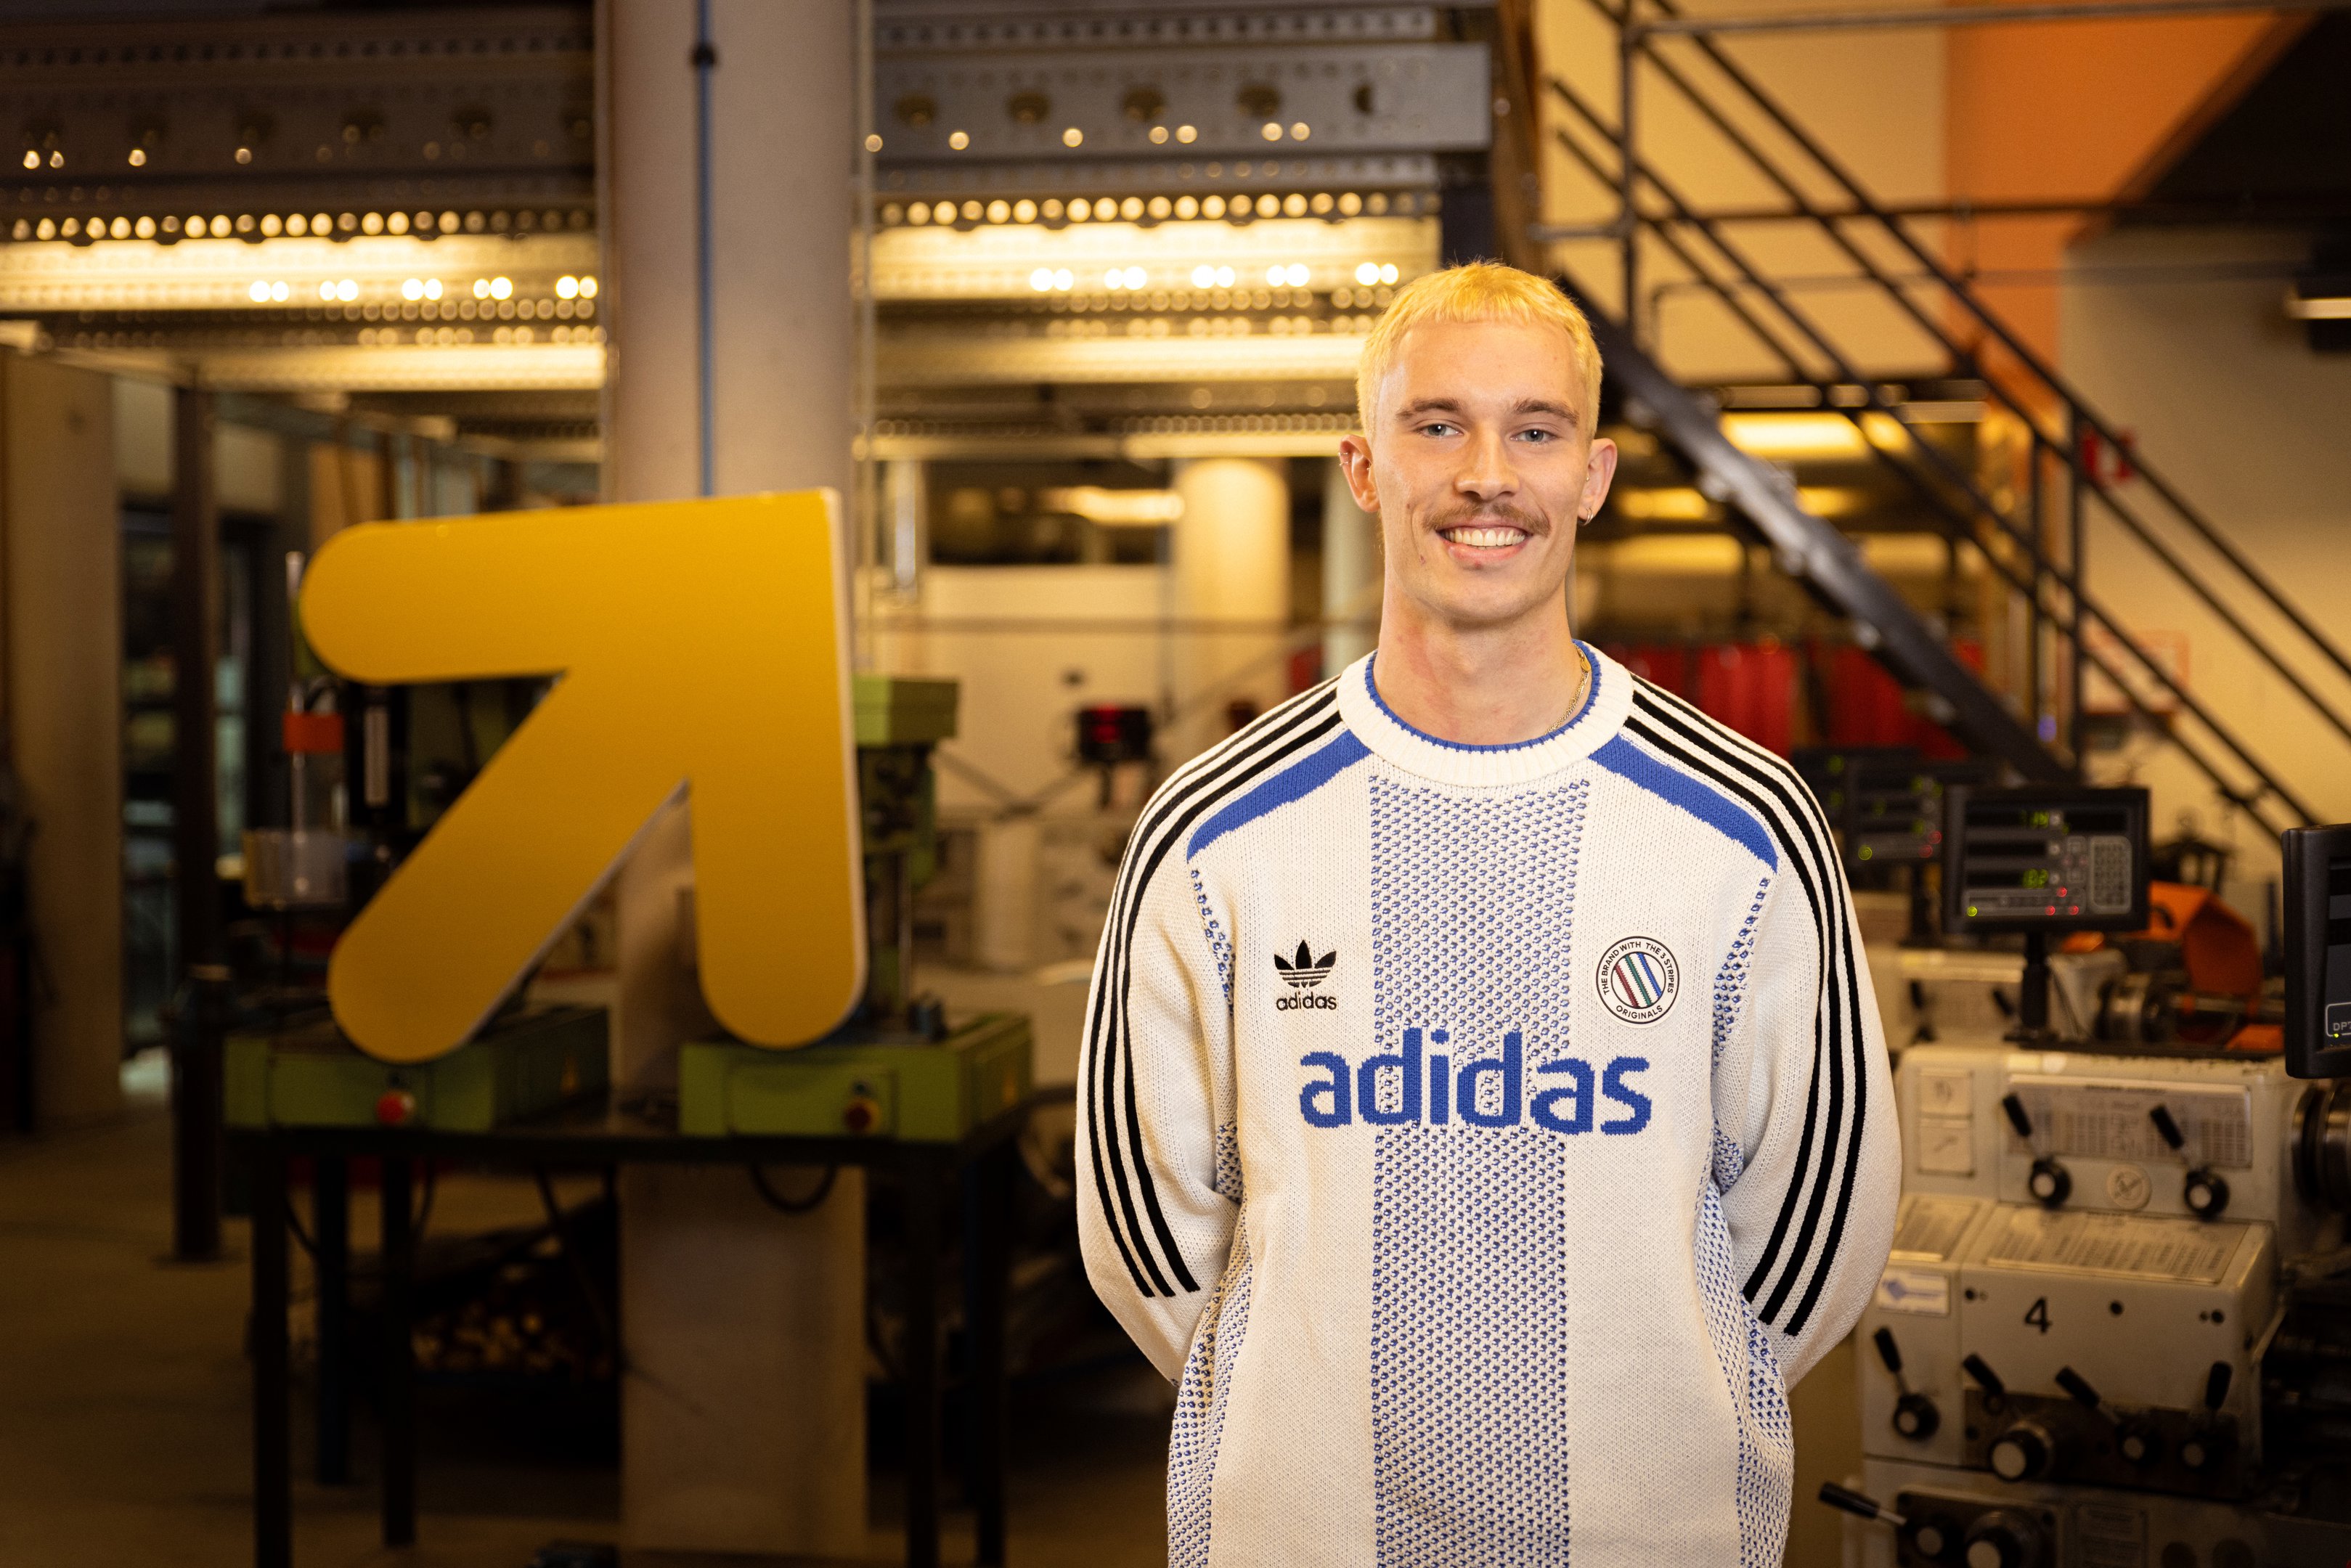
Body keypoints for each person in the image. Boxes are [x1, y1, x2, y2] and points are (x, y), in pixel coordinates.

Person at [1075, 259, 1899, 1566]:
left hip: (1646, 1532)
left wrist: (1657, 1407)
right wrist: (1309, 1399)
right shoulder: (1212, 830)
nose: (1486, 475)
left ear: (1594, 475)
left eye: (1534, 430)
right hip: (1301, 1533)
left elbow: (1815, 1223)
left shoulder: (1745, 826)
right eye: (1436, 424)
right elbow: (1147, 1230)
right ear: (1362, 467)